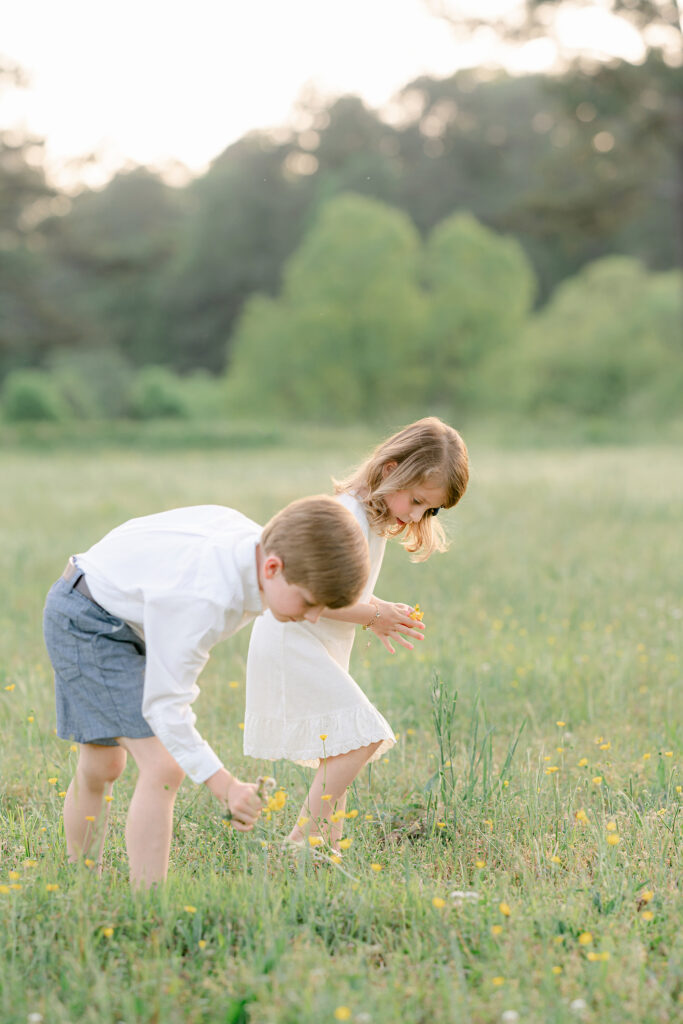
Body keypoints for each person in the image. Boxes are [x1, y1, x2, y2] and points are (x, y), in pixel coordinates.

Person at [42, 496, 370, 887]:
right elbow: (166, 705)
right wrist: (225, 785)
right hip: (87, 622)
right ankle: (147, 906)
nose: (314, 616)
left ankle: (82, 888)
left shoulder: (259, 550)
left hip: (115, 608)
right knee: (164, 767)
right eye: (311, 603)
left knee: (103, 765)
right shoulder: (205, 599)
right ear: (273, 567)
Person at [244, 417, 469, 851]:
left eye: (430, 510)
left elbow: (344, 585)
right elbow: (310, 593)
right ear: (391, 470)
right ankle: (299, 842)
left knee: (342, 743)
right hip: (293, 639)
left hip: (312, 643)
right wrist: (373, 614)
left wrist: (378, 605)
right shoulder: (346, 515)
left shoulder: (367, 518)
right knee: (362, 736)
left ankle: (324, 846)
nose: (417, 515)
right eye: (417, 500)